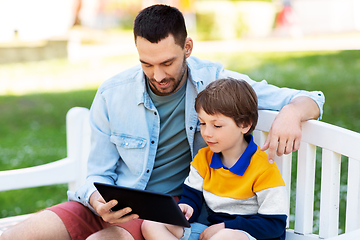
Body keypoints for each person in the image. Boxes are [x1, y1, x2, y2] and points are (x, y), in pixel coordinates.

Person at [0, 4, 324, 240]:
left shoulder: (216, 83)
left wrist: (292, 114)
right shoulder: (113, 94)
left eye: (167, 62)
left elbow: (310, 98)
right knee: (17, 235)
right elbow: (97, 173)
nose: (158, 75)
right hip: (108, 203)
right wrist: (98, 201)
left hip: (163, 213)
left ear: (187, 48)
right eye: (146, 63)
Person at [141, 78, 287, 240]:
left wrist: (226, 227)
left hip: (248, 235)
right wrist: (186, 207)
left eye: (216, 126)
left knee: (224, 237)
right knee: (152, 223)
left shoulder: (263, 167)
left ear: (245, 125)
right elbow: (192, 197)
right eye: (202, 123)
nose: (207, 133)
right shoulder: (204, 158)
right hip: (212, 233)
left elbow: (275, 224)